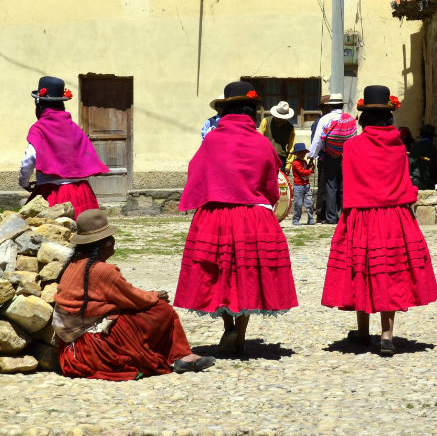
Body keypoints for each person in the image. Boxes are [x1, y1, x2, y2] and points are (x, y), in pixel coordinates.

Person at [174, 81, 298, 356]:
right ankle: (240, 334)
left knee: (220, 274)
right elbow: (271, 186)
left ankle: (228, 325)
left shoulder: (212, 141)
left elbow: (196, 172)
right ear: (252, 112)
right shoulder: (262, 144)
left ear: (225, 112)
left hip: (216, 216)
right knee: (247, 274)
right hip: (254, 218)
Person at [321, 85, 437, 357]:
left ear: (363, 117)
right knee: (389, 271)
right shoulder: (398, 147)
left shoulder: (352, 146)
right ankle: (387, 335)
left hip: (360, 216)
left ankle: (363, 332)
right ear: (389, 116)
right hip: (394, 217)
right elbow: (404, 182)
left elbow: (347, 183)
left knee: (361, 268)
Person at [54, 209, 215, 380]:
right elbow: (134, 298)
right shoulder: (103, 271)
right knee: (161, 309)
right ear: (106, 243)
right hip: (91, 347)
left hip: (71, 348)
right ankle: (181, 356)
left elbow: (119, 297)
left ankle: (180, 356)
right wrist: (155, 295)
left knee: (131, 312)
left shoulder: (74, 264)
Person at [19, 76, 108, 218]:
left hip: (52, 193)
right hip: (81, 193)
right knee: (85, 234)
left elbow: (29, 158)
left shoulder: (39, 128)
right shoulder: (74, 128)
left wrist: (24, 181)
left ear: (39, 104)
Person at [309, 93, 358, 223]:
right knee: (344, 185)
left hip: (330, 155)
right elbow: (354, 138)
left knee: (331, 186)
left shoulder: (325, 119)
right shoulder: (350, 119)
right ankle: (345, 216)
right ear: (342, 105)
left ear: (330, 105)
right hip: (346, 156)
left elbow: (318, 140)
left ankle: (331, 217)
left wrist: (312, 156)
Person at [259, 101, 296, 165]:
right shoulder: (266, 121)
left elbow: (291, 146)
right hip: (266, 157)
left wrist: (289, 163)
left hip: (281, 159)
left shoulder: (290, 128)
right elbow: (259, 140)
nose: (280, 120)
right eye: (279, 118)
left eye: (283, 118)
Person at [289, 143, 315, 225]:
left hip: (306, 185)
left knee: (309, 203)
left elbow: (306, 169)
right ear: (296, 154)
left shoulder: (303, 161)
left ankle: (311, 219)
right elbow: (302, 172)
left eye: (303, 153)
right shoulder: (295, 163)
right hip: (298, 187)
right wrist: (310, 171)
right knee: (298, 204)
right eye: (299, 153)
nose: (301, 154)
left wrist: (310, 164)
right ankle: (295, 219)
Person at [408, 124, 437, 190]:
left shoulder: (418, 146)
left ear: (422, 135)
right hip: (428, 182)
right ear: (432, 136)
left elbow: (410, 162)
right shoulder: (433, 148)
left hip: (417, 180)